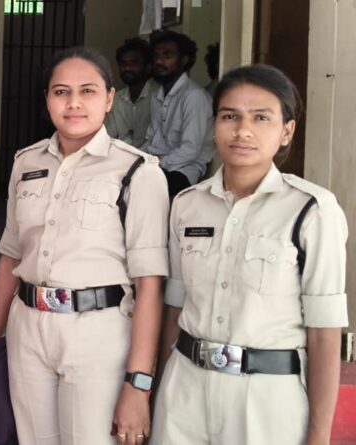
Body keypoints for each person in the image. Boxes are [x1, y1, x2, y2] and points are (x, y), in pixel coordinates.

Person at [0, 47, 170, 445]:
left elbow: (150, 285)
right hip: (27, 327)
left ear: (109, 99)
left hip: (98, 334)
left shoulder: (137, 171)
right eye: (60, 92)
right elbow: (10, 258)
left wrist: (138, 383)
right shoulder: (26, 163)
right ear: (47, 99)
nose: (73, 103)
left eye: (88, 91)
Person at [152, 64, 348, 445]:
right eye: (230, 116)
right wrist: (158, 394)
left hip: (266, 399)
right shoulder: (187, 205)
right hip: (184, 391)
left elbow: (325, 334)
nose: (243, 131)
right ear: (213, 125)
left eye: (261, 118)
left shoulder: (312, 210)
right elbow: (174, 311)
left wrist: (319, 436)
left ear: (286, 131)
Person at [141, 30, 214, 197]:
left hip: (184, 170)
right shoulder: (157, 95)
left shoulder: (194, 96)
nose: (159, 61)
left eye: (167, 55)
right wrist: (134, 157)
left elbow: (190, 150)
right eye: (156, 56)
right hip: (157, 166)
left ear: (184, 60)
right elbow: (151, 140)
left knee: (144, 189)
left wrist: (154, 164)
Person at [106, 37, 154, 148]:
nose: (127, 68)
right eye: (123, 63)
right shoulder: (117, 99)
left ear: (148, 67)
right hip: (122, 156)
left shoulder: (158, 97)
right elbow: (109, 137)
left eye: (134, 63)